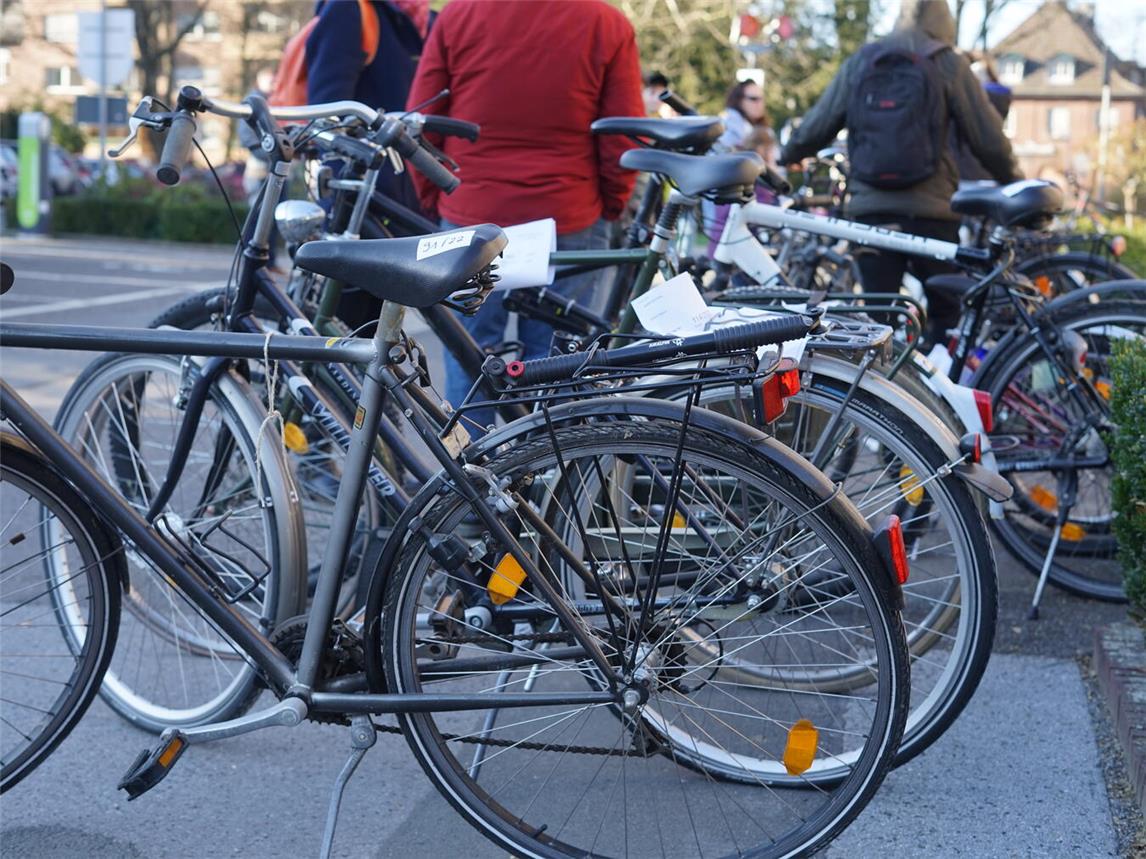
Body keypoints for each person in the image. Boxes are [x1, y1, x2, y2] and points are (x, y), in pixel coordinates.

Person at [406, 0, 644, 432]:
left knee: (470, 359)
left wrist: (432, 195)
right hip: (569, 215)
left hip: (472, 216)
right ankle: (552, 485)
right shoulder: (606, 23)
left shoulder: (459, 16)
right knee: (560, 366)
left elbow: (424, 120)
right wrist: (610, 204)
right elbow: (622, 134)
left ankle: (476, 483)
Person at [779, 0, 1022, 347]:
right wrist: (1015, 183)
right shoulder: (948, 63)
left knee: (880, 322)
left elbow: (818, 124)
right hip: (933, 212)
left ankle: (885, 391)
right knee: (947, 314)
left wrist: (787, 157)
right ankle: (939, 390)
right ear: (945, 23)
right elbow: (988, 139)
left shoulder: (863, 60)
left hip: (872, 212)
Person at [717, 79, 769, 152]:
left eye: (761, 99)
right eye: (753, 99)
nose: (759, 104)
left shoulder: (764, 130)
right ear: (740, 100)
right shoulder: (729, 126)